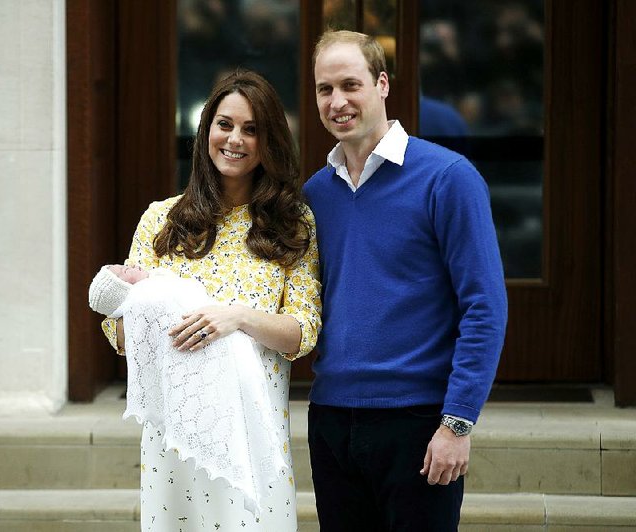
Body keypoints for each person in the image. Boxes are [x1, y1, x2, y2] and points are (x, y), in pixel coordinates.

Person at [303, 30, 508, 531]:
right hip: (330, 419)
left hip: (418, 421)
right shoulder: (315, 193)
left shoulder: (447, 177)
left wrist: (457, 422)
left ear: (382, 84)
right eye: (324, 89)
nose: (338, 101)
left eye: (350, 85)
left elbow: (484, 306)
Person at [100, 70, 321, 531]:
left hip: (253, 430)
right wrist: (160, 313)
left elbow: (303, 333)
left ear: (269, 141)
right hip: (175, 434)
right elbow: (118, 331)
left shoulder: (292, 223)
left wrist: (235, 318)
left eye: (251, 129)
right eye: (224, 124)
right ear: (206, 132)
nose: (234, 139)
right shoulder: (163, 219)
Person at [89, 263, 287, 516]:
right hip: (177, 424)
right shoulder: (157, 236)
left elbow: (304, 331)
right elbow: (118, 325)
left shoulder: (292, 231)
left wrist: (238, 316)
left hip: (252, 399)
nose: (129, 266)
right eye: (122, 272)